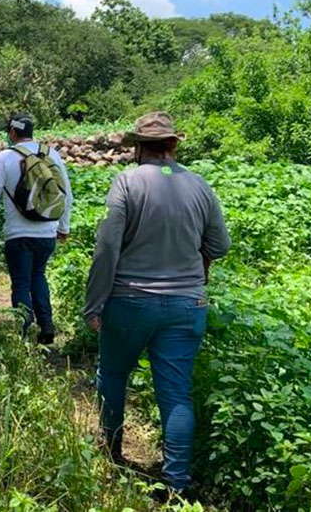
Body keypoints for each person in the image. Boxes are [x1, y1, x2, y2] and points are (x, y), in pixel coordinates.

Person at [82, 111, 231, 497]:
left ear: (137, 147)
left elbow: (107, 249)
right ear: (173, 145)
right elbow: (220, 246)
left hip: (129, 301)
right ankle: (176, 483)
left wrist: (94, 304)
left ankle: (112, 452)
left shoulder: (126, 183)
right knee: (176, 393)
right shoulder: (200, 186)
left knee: (113, 375)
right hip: (187, 304)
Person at [0, 114, 72, 345]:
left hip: (17, 234)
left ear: (12, 132)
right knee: (39, 275)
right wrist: (63, 227)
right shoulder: (51, 154)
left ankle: (24, 332)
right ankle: (46, 326)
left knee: (21, 283)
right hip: (47, 232)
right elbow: (66, 194)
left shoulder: (4, 157)